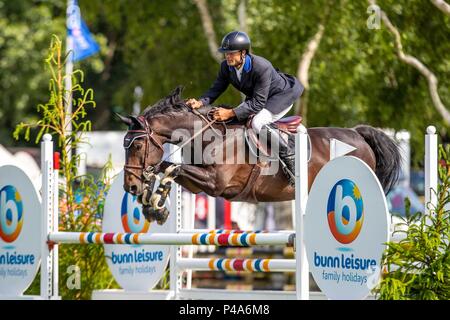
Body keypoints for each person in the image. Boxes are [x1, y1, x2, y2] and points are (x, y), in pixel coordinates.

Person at [186, 31, 304, 186]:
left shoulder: (262, 67)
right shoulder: (226, 67)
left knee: (257, 123)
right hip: (259, 97)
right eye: (225, 53)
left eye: (231, 53)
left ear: (243, 53)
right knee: (240, 119)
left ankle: (289, 155)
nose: (228, 57)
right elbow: (216, 89)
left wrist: (230, 112)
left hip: (281, 96)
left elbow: (257, 104)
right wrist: (200, 102)